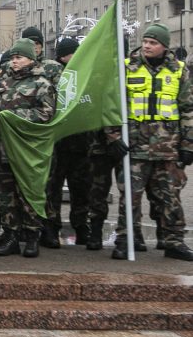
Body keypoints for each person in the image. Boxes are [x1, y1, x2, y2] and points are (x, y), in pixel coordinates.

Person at [112, 24, 193, 261]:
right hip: (134, 146)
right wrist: (114, 137)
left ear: (164, 46)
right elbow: (112, 105)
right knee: (130, 198)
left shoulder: (179, 70)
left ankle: (174, 242)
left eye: (153, 42)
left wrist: (188, 144)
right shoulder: (127, 67)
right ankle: (125, 239)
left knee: (170, 197)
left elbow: (188, 109)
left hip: (168, 147)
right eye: (145, 41)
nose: (147, 45)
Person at [0, 39, 56, 258]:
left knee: (28, 194)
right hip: (3, 148)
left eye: (19, 57)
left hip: (27, 150)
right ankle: (11, 235)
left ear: (31, 59)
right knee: (5, 195)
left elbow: (46, 114)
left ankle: (31, 237)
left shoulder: (42, 84)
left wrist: (14, 117)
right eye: (13, 57)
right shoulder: (3, 81)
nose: (15, 61)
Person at [46, 37, 92, 246]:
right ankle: (51, 227)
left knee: (81, 188)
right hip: (57, 144)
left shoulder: (85, 74)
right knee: (52, 188)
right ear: (65, 55)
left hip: (81, 143)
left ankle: (81, 225)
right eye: (75, 52)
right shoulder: (52, 75)